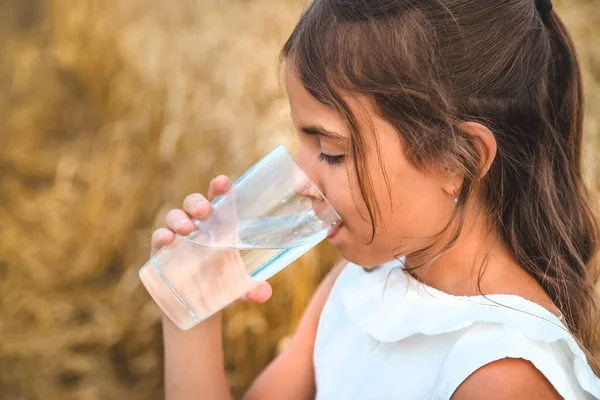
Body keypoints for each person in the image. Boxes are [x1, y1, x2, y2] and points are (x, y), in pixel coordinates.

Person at [150, 0, 600, 398]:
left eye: (331, 152)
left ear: (455, 161)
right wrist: (191, 308)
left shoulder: (501, 375)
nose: (303, 177)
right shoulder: (363, 281)